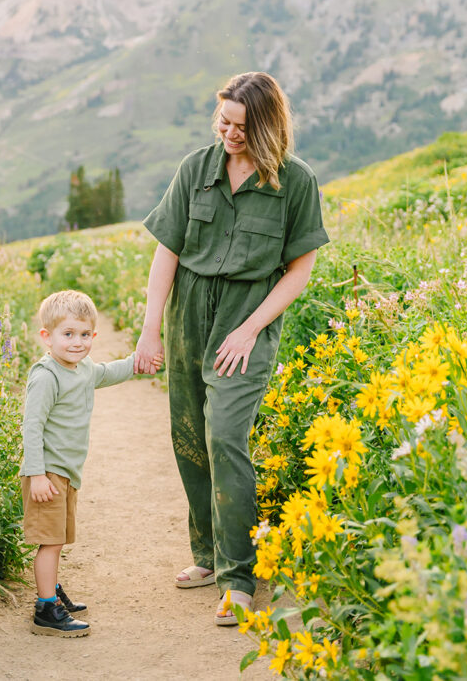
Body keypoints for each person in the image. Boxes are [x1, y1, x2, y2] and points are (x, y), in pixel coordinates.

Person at [133, 72, 329, 625]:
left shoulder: (296, 182)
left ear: (267, 125)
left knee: (225, 434)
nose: (228, 133)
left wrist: (248, 329)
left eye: (241, 126)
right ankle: (209, 557)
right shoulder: (196, 168)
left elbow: (298, 273)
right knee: (189, 433)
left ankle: (239, 575)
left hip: (249, 316)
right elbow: (167, 252)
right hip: (188, 310)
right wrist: (151, 328)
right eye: (223, 121)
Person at [20, 289, 148, 636]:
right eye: (68, 334)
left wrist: (137, 361)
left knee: (58, 538)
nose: (77, 342)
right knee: (50, 541)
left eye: (85, 334)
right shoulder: (47, 376)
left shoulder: (82, 368)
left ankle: (53, 591)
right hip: (46, 473)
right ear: (47, 337)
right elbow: (31, 426)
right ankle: (46, 608)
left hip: (65, 473)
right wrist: (36, 475)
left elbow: (107, 372)